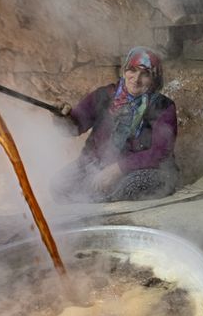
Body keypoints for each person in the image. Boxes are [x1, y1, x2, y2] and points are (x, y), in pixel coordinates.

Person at [52, 46, 179, 203]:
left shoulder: (163, 106)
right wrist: (61, 118)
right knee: (58, 185)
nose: (136, 78)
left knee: (129, 187)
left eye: (145, 74)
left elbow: (160, 153)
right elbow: (74, 127)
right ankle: (94, 199)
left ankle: (99, 205)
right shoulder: (104, 96)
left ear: (154, 79)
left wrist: (117, 169)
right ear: (125, 70)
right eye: (132, 70)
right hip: (96, 163)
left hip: (144, 169)